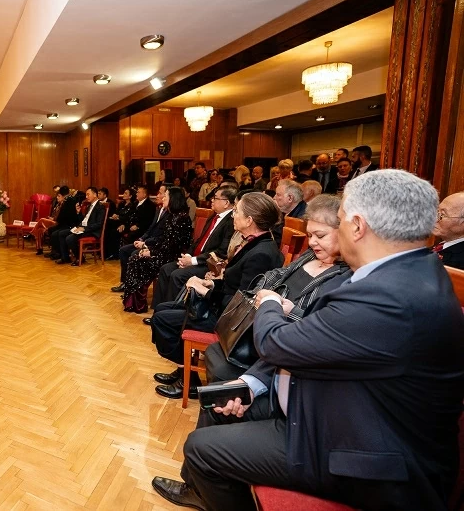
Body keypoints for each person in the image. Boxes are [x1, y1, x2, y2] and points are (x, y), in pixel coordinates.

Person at [153, 170, 464, 511]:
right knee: (219, 405)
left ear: (357, 226)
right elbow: (316, 345)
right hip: (337, 414)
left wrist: (270, 303)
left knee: (202, 449)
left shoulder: (388, 297)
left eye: (340, 221)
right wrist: (252, 384)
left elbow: (277, 343)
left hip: (364, 458)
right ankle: (201, 490)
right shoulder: (408, 274)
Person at [203, 194, 351, 384]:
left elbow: (323, 327)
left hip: (288, 351)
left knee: (221, 369)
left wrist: (290, 311)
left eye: (320, 236)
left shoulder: (345, 275)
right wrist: (262, 294)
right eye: (310, 236)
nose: (312, 242)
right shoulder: (310, 255)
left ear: (344, 232)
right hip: (263, 330)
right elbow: (277, 274)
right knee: (216, 353)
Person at [149, 193, 283, 399]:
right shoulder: (256, 243)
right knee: (162, 309)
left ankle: (188, 379)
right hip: (223, 308)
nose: (233, 215)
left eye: (237, 211)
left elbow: (243, 305)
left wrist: (207, 291)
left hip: (229, 322)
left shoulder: (261, 253)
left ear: (249, 220)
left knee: (162, 319)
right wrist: (211, 283)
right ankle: (183, 369)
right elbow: (235, 286)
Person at [148, 186, 237, 312]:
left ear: (226, 203)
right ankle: (159, 312)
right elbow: (198, 241)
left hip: (208, 264)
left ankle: (172, 314)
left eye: (215, 198)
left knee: (177, 275)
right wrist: (188, 256)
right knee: (165, 269)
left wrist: (193, 261)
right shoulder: (213, 216)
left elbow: (222, 252)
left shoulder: (231, 222)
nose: (211, 200)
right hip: (196, 258)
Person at [121, 187, 193, 313]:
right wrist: (148, 248)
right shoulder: (172, 216)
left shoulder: (182, 218)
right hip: (163, 251)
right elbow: (163, 240)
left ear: (173, 199)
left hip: (172, 256)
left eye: (166, 196)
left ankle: (139, 304)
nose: (163, 198)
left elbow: (173, 246)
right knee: (136, 258)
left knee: (139, 260)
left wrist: (152, 252)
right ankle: (134, 303)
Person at [112, 186, 168, 290]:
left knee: (134, 253)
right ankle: (125, 283)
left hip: (155, 245)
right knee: (123, 250)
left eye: (160, 193)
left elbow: (161, 236)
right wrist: (142, 239)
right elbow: (150, 228)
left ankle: (135, 287)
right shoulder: (159, 209)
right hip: (147, 240)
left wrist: (145, 242)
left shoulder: (168, 213)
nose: (157, 196)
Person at [55, 186, 106, 266]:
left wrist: (84, 229)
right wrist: (79, 213)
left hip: (91, 231)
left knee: (70, 238)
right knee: (62, 233)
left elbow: (99, 224)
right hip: (82, 228)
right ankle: (65, 258)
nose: (86, 197)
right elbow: (83, 221)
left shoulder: (100, 207)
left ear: (95, 194)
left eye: (88, 194)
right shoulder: (89, 206)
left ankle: (80, 258)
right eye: (86, 195)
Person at [45, 187, 81, 260]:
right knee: (52, 230)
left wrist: (57, 220)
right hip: (66, 223)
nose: (57, 197)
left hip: (70, 225)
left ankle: (61, 255)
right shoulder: (67, 201)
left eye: (59, 196)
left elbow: (65, 215)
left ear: (62, 195)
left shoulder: (69, 201)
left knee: (57, 233)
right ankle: (57, 252)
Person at [433, 191, 464, 269]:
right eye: (437, 211)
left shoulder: (458, 262)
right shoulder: (442, 246)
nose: (434, 219)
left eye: (442, 215)